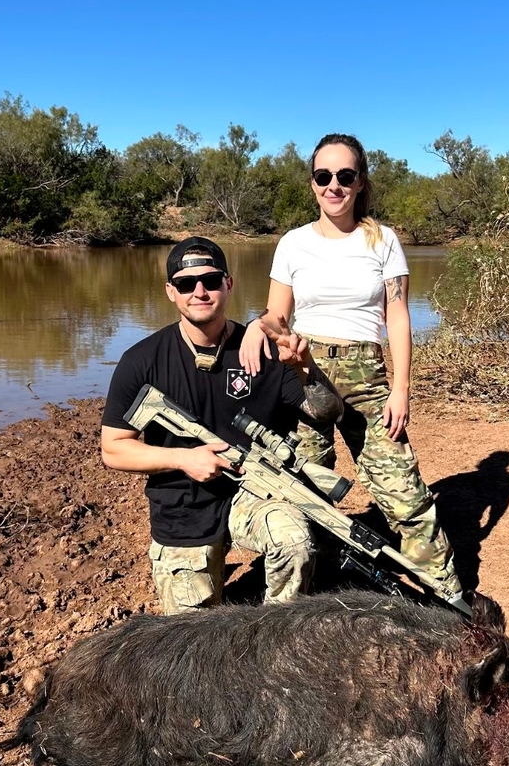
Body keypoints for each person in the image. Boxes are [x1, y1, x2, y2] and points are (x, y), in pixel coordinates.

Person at [239, 133, 462, 596]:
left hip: (366, 373)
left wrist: (401, 389)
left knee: (404, 493)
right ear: (312, 183)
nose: (333, 185)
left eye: (345, 176)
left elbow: (397, 317)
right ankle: (308, 591)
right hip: (303, 372)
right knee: (302, 490)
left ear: (360, 182)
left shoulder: (383, 241)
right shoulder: (293, 244)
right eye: (324, 176)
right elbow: (278, 315)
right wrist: (258, 328)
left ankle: (447, 595)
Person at [101, 237, 343, 615]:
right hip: (182, 503)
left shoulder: (263, 349)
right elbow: (114, 447)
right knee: (192, 633)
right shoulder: (141, 360)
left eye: (211, 281)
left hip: (257, 491)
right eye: (186, 284)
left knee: (295, 543)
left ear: (228, 284)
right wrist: (183, 459)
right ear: (171, 292)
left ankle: (276, 636)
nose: (200, 291)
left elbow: (327, 413)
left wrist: (304, 366)